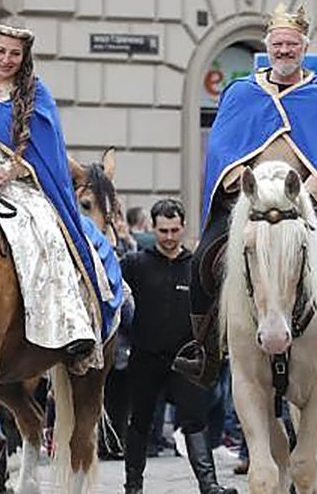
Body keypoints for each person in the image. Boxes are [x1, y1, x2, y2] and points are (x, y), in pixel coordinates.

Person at [176, 3, 317, 388]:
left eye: (291, 44)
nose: (284, 51)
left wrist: (306, 197)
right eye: (278, 45)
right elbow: (222, 149)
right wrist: (242, 182)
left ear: (304, 48)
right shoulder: (242, 92)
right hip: (249, 200)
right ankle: (203, 351)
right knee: (202, 259)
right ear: (268, 48)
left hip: (307, 200)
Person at [0, 22, 123, 362]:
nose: (6, 59)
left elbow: (49, 152)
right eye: (0, 51)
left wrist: (13, 168)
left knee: (43, 230)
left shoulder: (36, 94)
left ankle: (70, 324)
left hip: (17, 188)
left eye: (15, 53)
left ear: (24, 57)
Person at [122, 199, 236, 494]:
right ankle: (133, 486)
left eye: (174, 230)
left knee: (195, 421)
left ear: (183, 227)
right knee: (140, 422)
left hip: (186, 358)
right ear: (154, 228)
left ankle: (209, 485)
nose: (170, 237)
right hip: (145, 358)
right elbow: (112, 292)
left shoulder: (197, 265)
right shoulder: (136, 264)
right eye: (163, 231)